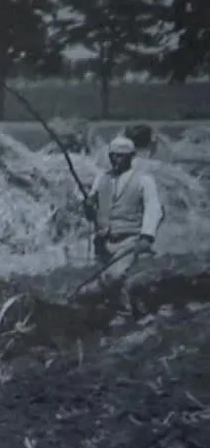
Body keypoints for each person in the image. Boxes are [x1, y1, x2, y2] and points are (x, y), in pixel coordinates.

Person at [83, 134, 164, 315]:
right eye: (112, 155)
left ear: (131, 157)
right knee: (115, 286)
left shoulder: (144, 180)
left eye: (120, 156)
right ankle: (124, 313)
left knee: (113, 276)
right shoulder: (102, 178)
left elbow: (154, 208)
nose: (115, 159)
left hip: (129, 239)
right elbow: (91, 206)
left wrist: (147, 236)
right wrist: (88, 207)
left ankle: (87, 295)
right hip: (103, 240)